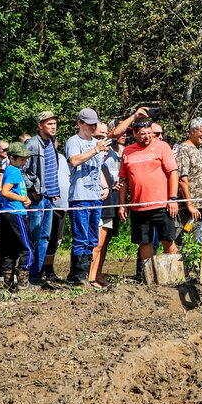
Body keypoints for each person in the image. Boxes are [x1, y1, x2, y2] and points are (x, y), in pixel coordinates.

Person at [118, 120, 180, 277]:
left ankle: (174, 275)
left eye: (149, 133)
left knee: (167, 239)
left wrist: (172, 198)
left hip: (161, 204)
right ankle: (149, 277)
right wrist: (122, 204)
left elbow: (173, 172)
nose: (147, 137)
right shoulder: (128, 151)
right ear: (134, 134)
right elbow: (124, 180)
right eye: (142, 134)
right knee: (144, 242)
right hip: (139, 206)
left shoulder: (162, 147)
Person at [65, 108, 110, 286]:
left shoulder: (96, 142)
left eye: (95, 124)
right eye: (89, 124)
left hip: (95, 196)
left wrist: (105, 186)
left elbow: (97, 169)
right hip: (79, 196)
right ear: (80, 123)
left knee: (92, 239)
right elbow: (74, 161)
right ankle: (78, 278)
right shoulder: (73, 141)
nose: (93, 128)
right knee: (81, 238)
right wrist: (95, 150)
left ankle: (80, 275)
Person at [23, 111, 63, 285]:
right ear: (40, 125)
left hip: (49, 199)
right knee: (35, 237)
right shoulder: (32, 144)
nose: (53, 127)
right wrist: (33, 190)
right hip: (37, 199)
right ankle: (30, 276)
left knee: (45, 238)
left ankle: (38, 275)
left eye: (54, 124)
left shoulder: (52, 143)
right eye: (49, 124)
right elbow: (22, 170)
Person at [88, 122, 123, 288]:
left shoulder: (106, 163)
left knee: (104, 243)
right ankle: (91, 277)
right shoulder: (93, 161)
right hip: (99, 207)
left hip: (110, 206)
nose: (107, 147)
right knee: (97, 244)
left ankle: (97, 273)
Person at [0, 143, 34, 291]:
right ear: (11, 158)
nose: (24, 162)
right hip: (16, 214)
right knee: (27, 248)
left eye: (25, 159)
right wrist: (22, 199)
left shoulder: (9, 170)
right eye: (21, 159)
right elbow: (5, 192)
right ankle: (22, 283)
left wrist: (25, 198)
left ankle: (7, 284)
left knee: (9, 248)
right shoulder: (14, 171)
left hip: (8, 213)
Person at [175, 117, 202, 245]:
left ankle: (191, 266)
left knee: (194, 243)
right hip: (187, 208)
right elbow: (182, 178)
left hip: (200, 206)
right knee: (183, 242)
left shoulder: (199, 150)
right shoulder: (184, 149)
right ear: (192, 131)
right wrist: (189, 205)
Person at [40, 151, 70, 284]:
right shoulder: (43, 156)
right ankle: (39, 269)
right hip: (48, 205)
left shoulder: (62, 158)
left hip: (62, 205)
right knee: (44, 238)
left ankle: (49, 269)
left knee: (55, 240)